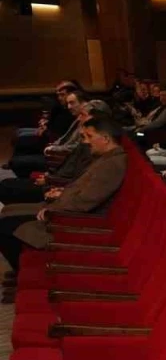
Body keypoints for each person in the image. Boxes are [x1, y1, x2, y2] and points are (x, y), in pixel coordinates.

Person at [0, 116, 128, 275]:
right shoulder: (106, 157)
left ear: (106, 139)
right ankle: (21, 270)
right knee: (8, 213)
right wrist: (61, 193)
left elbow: (85, 202)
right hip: (63, 206)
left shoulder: (113, 164)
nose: (86, 142)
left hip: (73, 220)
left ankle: (24, 273)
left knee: (6, 225)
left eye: (89, 136)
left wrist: (52, 209)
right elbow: (81, 187)